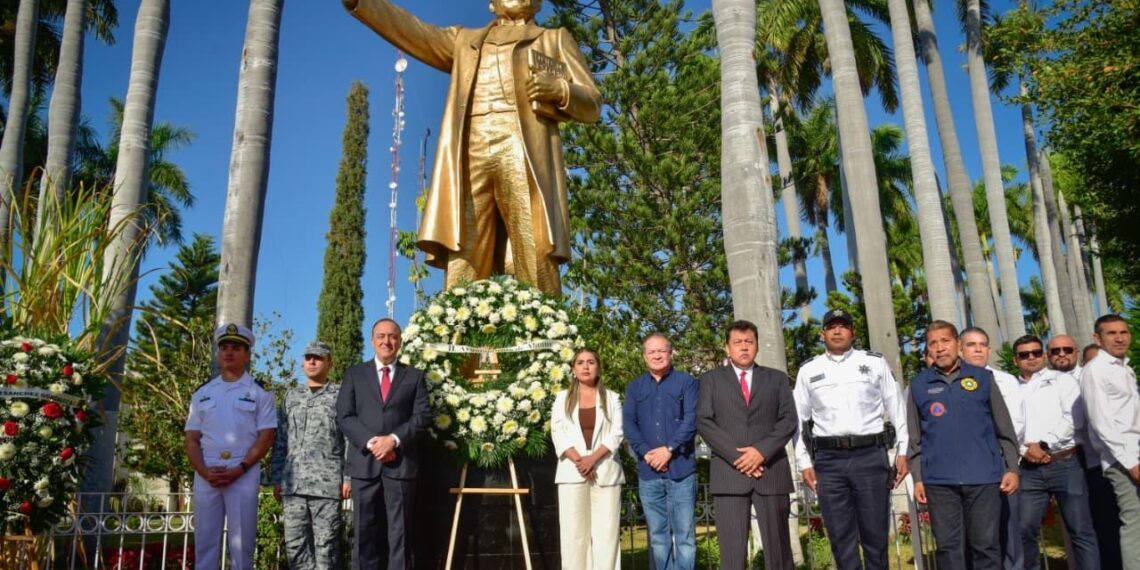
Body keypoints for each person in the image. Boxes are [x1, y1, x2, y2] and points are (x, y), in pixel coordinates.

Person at [342, 0, 601, 296]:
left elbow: (592, 103)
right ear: (492, 3)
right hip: (471, 145)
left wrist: (561, 90)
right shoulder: (464, 40)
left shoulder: (554, 39)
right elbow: (415, 32)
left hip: (522, 145)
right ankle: (456, 326)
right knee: (464, 242)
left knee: (534, 241)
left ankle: (546, 330)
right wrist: (362, 3)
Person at [792, 309, 908, 570]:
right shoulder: (809, 370)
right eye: (831, 326)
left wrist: (903, 451)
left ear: (852, 332)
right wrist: (803, 462)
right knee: (840, 538)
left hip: (870, 457)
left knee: (876, 536)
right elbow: (797, 420)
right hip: (828, 461)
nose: (837, 331)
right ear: (823, 333)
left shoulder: (874, 363)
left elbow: (897, 408)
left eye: (843, 326)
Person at [907, 320, 1020, 570]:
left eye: (945, 341)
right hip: (939, 482)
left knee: (986, 547)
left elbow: (1005, 430)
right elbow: (915, 438)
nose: (939, 348)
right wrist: (918, 477)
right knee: (948, 549)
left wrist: (1011, 467)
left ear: (957, 344)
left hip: (983, 479)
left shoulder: (983, 378)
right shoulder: (918, 385)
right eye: (933, 343)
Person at [697, 320, 796, 570]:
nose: (743, 347)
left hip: (770, 472)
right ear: (727, 348)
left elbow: (788, 420)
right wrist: (739, 457)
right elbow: (705, 422)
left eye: (749, 342)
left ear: (757, 346)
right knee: (732, 554)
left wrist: (760, 452)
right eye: (737, 343)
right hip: (729, 475)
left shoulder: (776, 379)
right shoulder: (711, 380)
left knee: (779, 553)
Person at [336, 319, 430, 570]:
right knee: (364, 534)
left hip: (400, 467)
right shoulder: (355, 374)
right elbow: (345, 416)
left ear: (399, 341)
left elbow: (421, 417)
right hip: (364, 467)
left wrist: (393, 441)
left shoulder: (415, 376)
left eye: (392, 336)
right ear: (372, 340)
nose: (386, 341)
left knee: (400, 536)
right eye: (381, 336)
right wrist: (372, 443)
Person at [184, 324, 277, 570]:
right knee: (204, 543)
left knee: (242, 545)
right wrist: (203, 471)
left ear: (247, 355)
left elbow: (266, 435)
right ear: (217, 353)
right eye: (224, 347)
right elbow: (192, 439)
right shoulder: (202, 393)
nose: (229, 352)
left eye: (236, 348)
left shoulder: (259, 392)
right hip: (207, 472)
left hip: (243, 472)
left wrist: (241, 468)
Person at [1011, 334, 1100, 569]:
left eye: (1036, 353)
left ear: (1043, 355)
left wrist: (1044, 444)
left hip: (1066, 463)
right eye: (1024, 354)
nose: (1031, 358)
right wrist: (1024, 450)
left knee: (1080, 530)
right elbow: (1008, 426)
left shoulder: (1062, 381)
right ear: (1015, 360)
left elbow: (1074, 418)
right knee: (1024, 529)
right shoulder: (1010, 388)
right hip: (1028, 468)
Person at [270, 341, 351, 570]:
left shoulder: (342, 395)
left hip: (326, 486)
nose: (312, 361)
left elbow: (348, 440)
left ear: (329, 363)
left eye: (318, 357)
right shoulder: (290, 397)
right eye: (308, 357)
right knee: (295, 546)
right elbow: (281, 440)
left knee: (327, 547)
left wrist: (348, 478)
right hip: (293, 485)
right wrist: (277, 478)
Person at [623, 333, 699, 570]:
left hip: (682, 470)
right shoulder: (635, 387)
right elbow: (629, 424)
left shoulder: (687, 382)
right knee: (657, 536)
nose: (656, 355)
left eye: (661, 350)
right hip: (649, 474)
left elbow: (691, 420)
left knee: (685, 536)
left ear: (670, 353)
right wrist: (647, 453)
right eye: (651, 351)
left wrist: (668, 450)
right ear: (645, 356)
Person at [551, 347, 624, 570]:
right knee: (574, 537)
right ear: (573, 369)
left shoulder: (611, 398)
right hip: (572, 474)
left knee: (607, 536)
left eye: (591, 362)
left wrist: (592, 459)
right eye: (580, 362)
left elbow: (617, 433)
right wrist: (580, 461)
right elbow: (558, 432)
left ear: (598, 367)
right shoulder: (562, 398)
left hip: (606, 472)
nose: (585, 366)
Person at [960, 326, 1026, 570]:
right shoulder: (954, 382)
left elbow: (1015, 424)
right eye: (970, 344)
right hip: (968, 467)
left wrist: (1003, 457)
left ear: (989, 349)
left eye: (982, 344)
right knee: (976, 534)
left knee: (1009, 529)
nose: (977, 349)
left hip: (1001, 462)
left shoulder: (1005, 381)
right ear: (960, 349)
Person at [1080, 314, 1139, 570]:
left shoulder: (1125, 367)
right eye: (1111, 333)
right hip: (1122, 459)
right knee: (1135, 523)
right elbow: (1101, 422)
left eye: (1123, 332)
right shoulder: (1095, 370)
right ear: (1097, 338)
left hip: (1135, 452)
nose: (1119, 338)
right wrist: (1131, 463)